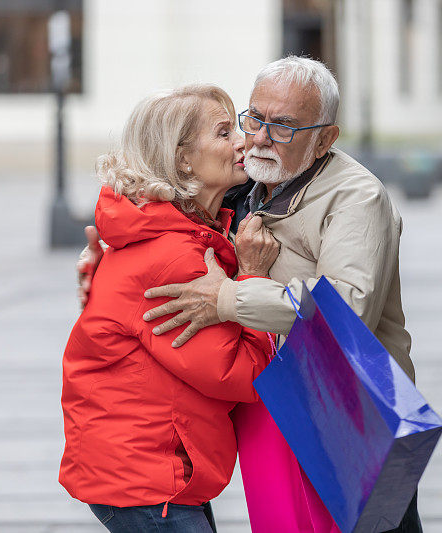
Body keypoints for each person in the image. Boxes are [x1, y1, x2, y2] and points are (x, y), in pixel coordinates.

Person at [79, 56, 422, 532]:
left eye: (282, 126)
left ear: (325, 138)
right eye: (254, 118)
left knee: (380, 526)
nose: (257, 137)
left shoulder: (356, 197)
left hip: (353, 406)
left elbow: (346, 307)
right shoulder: (249, 184)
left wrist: (231, 298)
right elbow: (174, 224)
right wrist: (109, 265)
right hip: (281, 410)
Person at [60, 84, 280, 533]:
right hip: (148, 480)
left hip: (149, 473)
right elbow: (241, 375)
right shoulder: (178, 257)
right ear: (182, 159)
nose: (242, 141)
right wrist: (252, 282)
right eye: (223, 133)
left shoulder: (178, 236)